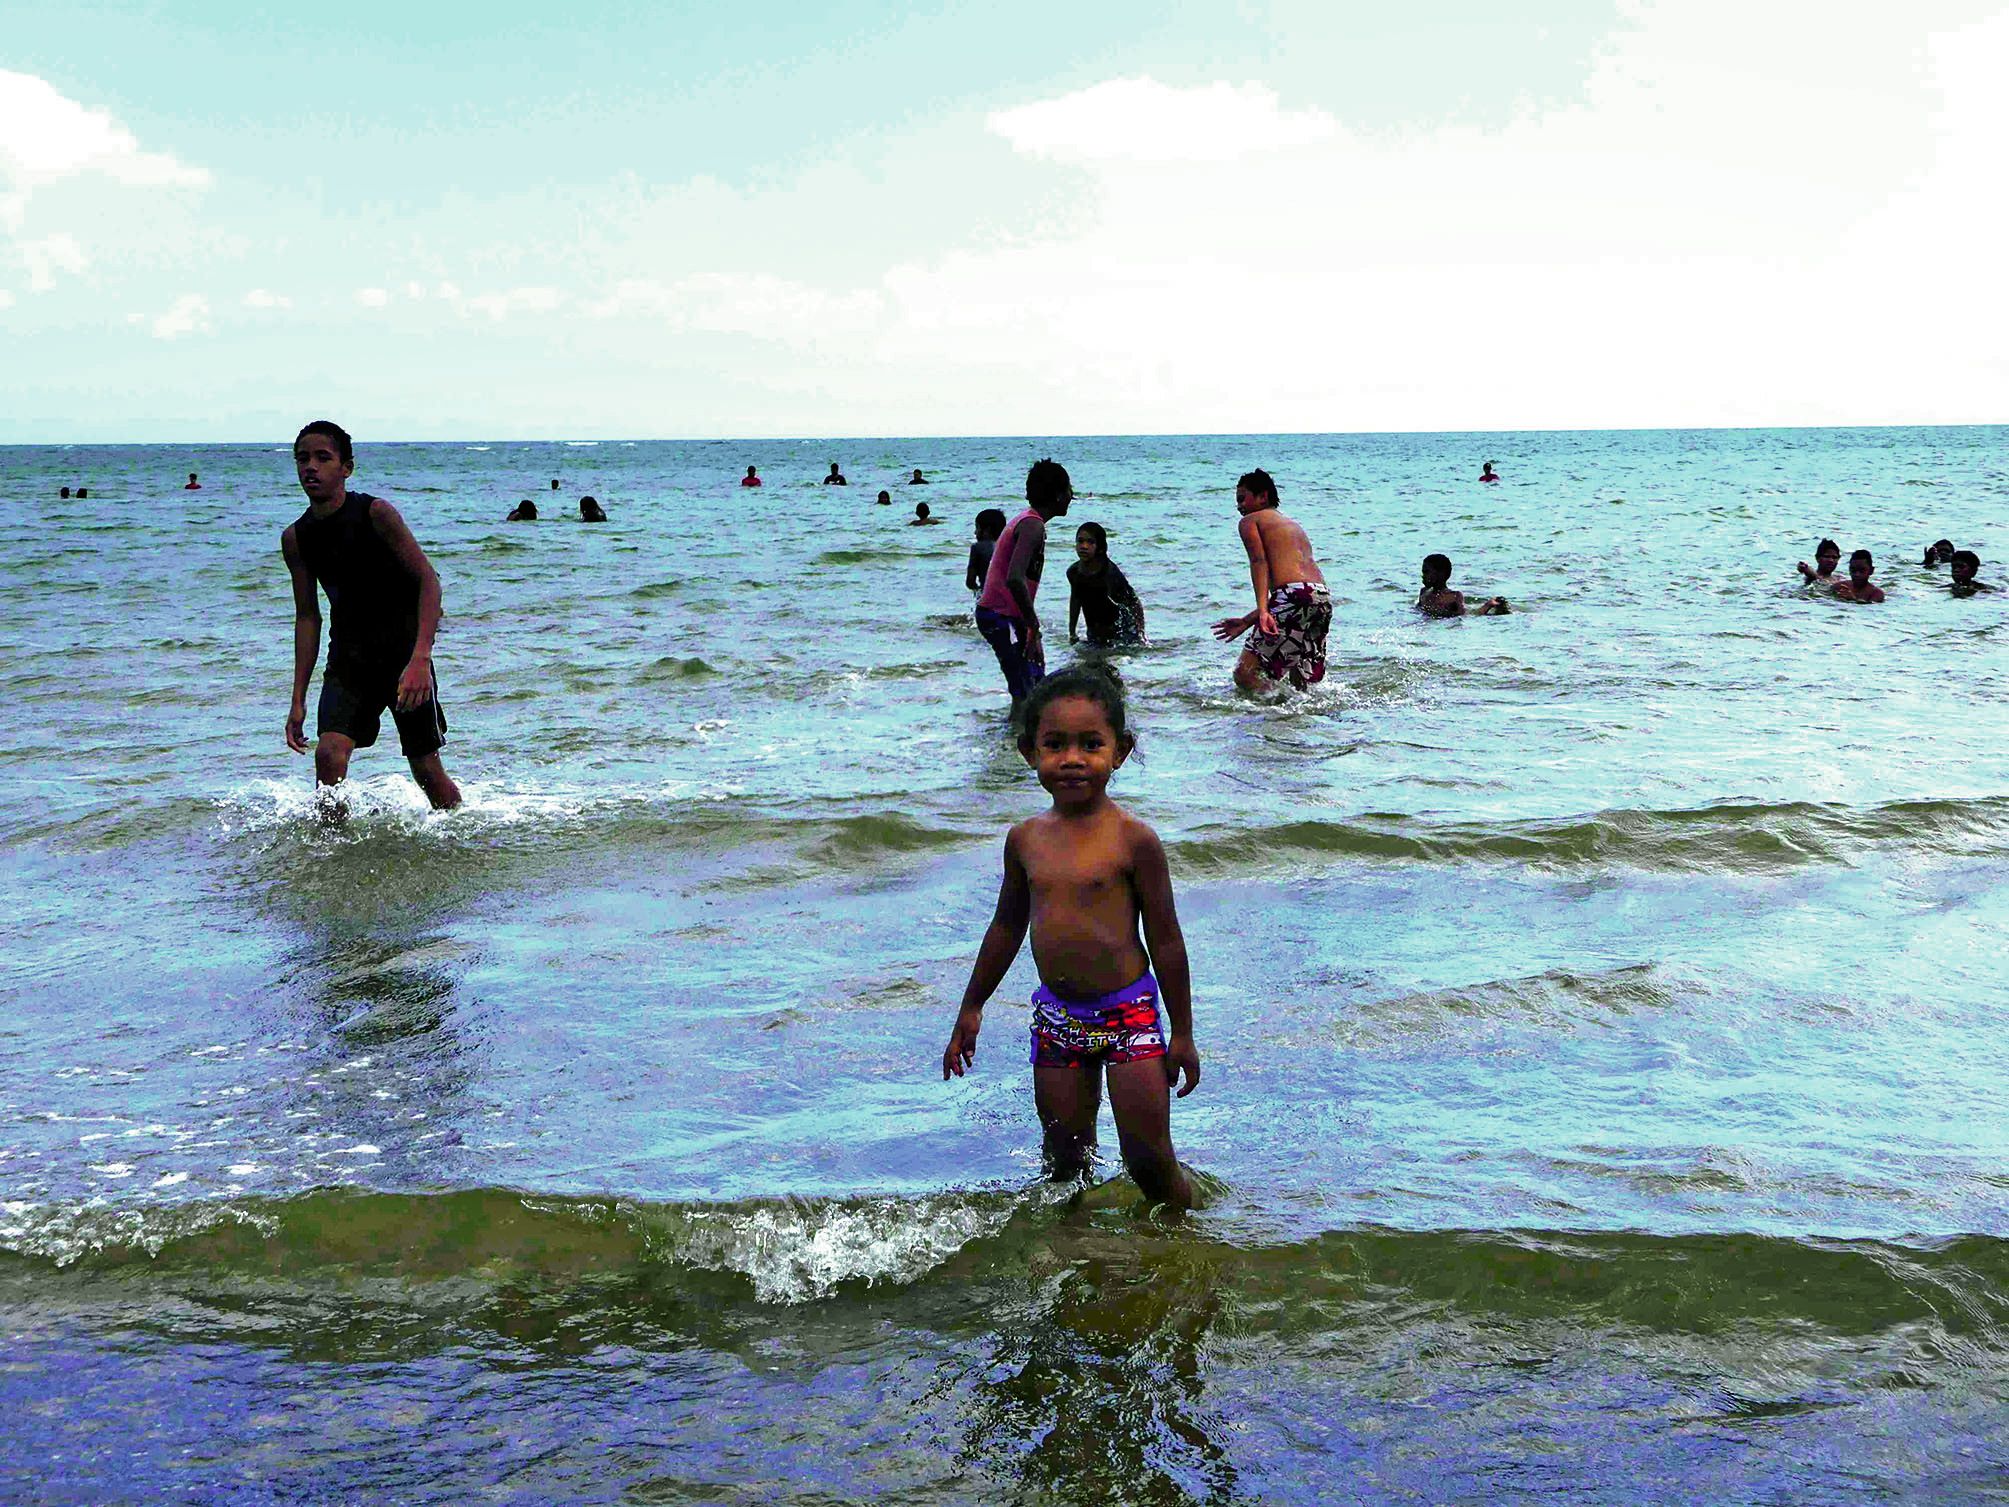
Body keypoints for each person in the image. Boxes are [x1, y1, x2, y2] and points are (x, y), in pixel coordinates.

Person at [940, 664, 1198, 1209]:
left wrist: (1183, 1033)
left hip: (1130, 1018)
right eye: (1055, 744)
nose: (1073, 759)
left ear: (1120, 751)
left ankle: (1187, 1247)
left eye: (1090, 744)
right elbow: (1006, 927)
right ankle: (1076, 1261)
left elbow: (1167, 941)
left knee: (1148, 1160)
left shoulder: (1135, 840)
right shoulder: (1025, 840)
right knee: (1063, 1163)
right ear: (1029, 752)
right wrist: (972, 1007)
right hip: (1058, 1020)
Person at [281, 420, 460, 810]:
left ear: (346, 467)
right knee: (328, 758)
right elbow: (307, 618)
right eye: (302, 459)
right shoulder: (297, 537)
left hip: (403, 660)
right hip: (348, 662)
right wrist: (298, 699)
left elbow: (428, 581)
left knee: (426, 770)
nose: (310, 467)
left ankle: (462, 838)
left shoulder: (376, 513)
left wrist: (420, 658)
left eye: (323, 458)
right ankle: (331, 857)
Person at [1210, 469, 1332, 691]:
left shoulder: (1250, 521)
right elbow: (1299, 591)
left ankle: (1275, 713)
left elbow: (1259, 562)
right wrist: (1249, 620)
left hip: (1294, 596)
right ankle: (1300, 720)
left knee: (1244, 674)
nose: (1239, 507)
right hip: (1321, 597)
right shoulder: (1292, 526)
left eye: (1242, 499)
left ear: (1262, 496)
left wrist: (1263, 612)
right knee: (1298, 677)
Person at [975, 459, 1072, 706]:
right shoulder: (1032, 525)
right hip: (999, 616)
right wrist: (1034, 625)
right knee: (1026, 690)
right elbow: (1015, 578)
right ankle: (1017, 739)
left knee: (1035, 682)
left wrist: (1028, 627)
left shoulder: (1029, 522)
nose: (1073, 496)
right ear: (1059, 496)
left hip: (1011, 617)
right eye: (1070, 490)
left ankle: (1018, 738)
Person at [1067, 521, 1146, 645]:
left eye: (1090, 542)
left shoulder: (1109, 573)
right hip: (1094, 633)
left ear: (1100, 546)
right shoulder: (1073, 572)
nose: (1084, 546)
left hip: (1120, 634)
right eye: (1080, 541)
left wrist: (1141, 633)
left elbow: (1133, 602)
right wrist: (1072, 632)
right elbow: (1076, 600)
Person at [1416, 553, 1508, 616]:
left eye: (1426, 572)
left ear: (1441, 574)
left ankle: (1490, 603)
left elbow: (1467, 616)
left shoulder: (1454, 596)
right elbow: (1418, 610)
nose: (1423, 576)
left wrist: (1487, 606)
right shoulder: (1424, 592)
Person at [967, 509, 1007, 595]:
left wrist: (979, 592)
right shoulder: (1009, 546)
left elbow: (970, 581)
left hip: (987, 595)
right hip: (1007, 597)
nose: (975, 532)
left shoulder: (977, 547)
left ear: (986, 530)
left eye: (977, 527)